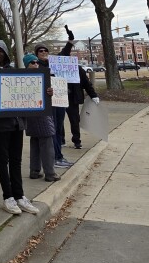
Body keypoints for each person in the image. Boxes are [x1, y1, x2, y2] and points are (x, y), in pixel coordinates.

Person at [0, 40, 39, 216]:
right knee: (3, 159)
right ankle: (8, 197)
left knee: (16, 159)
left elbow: (30, 92)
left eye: (0, 51)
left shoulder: (14, 71)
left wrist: (45, 94)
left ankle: (19, 196)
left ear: (5, 53)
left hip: (17, 121)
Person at [34, 32, 74, 169]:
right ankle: (56, 158)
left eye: (46, 50)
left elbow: (64, 54)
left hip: (60, 100)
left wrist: (70, 41)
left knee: (59, 129)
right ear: (37, 53)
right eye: (40, 51)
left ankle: (59, 156)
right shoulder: (36, 66)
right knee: (53, 130)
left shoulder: (55, 63)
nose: (43, 52)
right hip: (48, 103)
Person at [22, 54, 60, 182]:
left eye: (37, 62)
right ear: (26, 65)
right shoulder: (30, 78)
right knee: (47, 142)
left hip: (32, 115)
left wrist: (50, 92)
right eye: (32, 62)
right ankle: (50, 173)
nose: (36, 64)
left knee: (35, 142)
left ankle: (35, 170)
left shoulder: (39, 76)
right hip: (40, 114)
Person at [67, 64, 99, 148]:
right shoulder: (53, 68)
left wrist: (93, 95)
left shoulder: (78, 69)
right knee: (58, 121)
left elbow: (86, 83)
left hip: (72, 98)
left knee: (74, 120)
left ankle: (76, 140)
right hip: (58, 98)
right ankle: (60, 139)